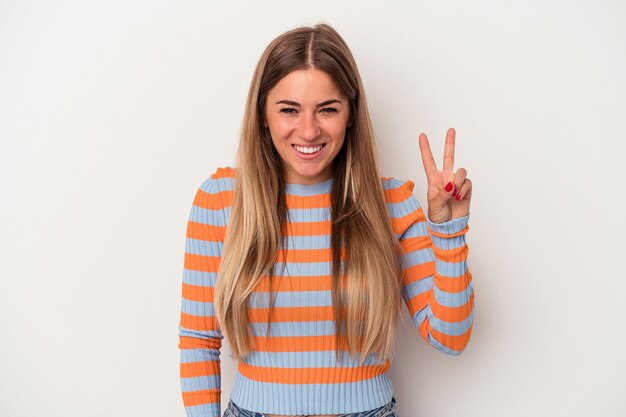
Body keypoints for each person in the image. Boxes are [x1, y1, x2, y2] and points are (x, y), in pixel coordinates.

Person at [178, 23, 474, 417]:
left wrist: (448, 231)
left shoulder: (393, 205)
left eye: (328, 109)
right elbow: (199, 339)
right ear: (263, 115)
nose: (308, 130)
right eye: (289, 110)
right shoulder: (221, 202)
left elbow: (450, 336)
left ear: (351, 114)